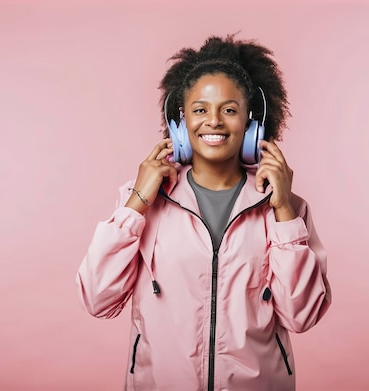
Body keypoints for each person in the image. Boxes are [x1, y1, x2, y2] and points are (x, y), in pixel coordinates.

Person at [77, 34, 331, 391]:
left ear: (251, 123)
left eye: (229, 109)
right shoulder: (141, 203)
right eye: (199, 109)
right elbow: (97, 299)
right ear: (180, 124)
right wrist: (137, 202)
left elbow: (302, 315)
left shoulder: (288, 208)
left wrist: (284, 211)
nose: (213, 121)